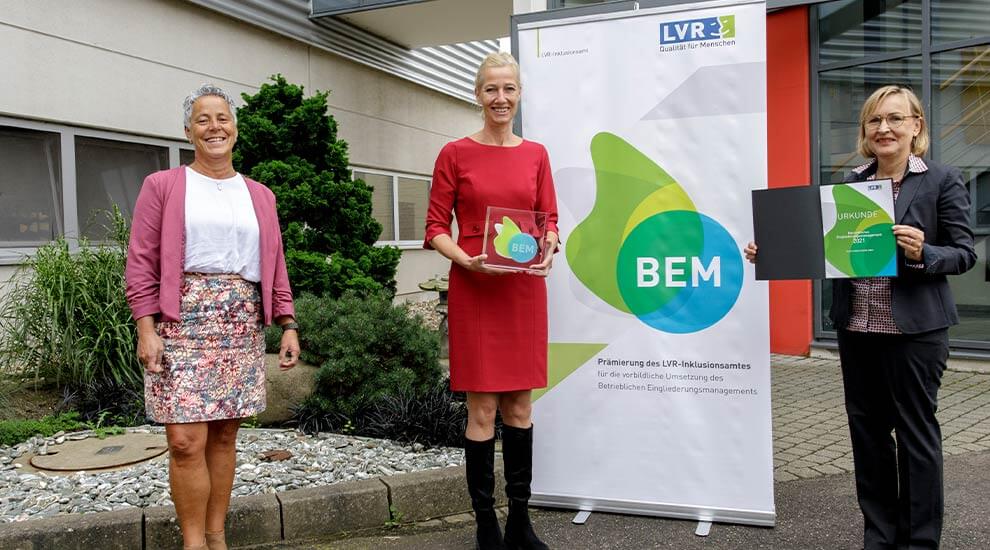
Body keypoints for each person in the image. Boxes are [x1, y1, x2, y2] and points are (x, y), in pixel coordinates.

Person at [745, 85, 975, 549]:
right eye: (874, 121)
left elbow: (964, 252)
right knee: (868, 437)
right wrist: (771, 253)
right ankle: (880, 535)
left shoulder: (941, 180)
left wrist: (923, 251)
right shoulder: (848, 184)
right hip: (858, 328)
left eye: (894, 119)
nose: (884, 128)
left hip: (915, 331)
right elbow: (822, 249)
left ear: (916, 127)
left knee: (916, 435)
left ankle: (920, 540)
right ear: (866, 132)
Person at [126, 84, 300, 550]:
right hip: (179, 321)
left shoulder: (260, 195)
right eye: (203, 120)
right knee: (184, 440)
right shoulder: (162, 186)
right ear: (188, 131)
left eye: (222, 118)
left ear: (235, 129)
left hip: (239, 320)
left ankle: (217, 536)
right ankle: (193, 543)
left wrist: (287, 323)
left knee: (224, 436)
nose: (214, 127)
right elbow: (141, 261)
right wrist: (147, 328)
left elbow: (275, 262)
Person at [424, 52, 558, 550]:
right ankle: (486, 526)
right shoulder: (454, 154)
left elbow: (549, 221)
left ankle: (520, 523)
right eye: (490, 90)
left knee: (521, 407)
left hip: (523, 290)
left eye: (508, 89)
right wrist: (465, 259)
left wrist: (548, 248)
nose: (499, 99)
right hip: (475, 287)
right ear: (477, 95)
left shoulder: (537, 154)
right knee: (481, 411)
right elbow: (435, 227)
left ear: (519, 94)